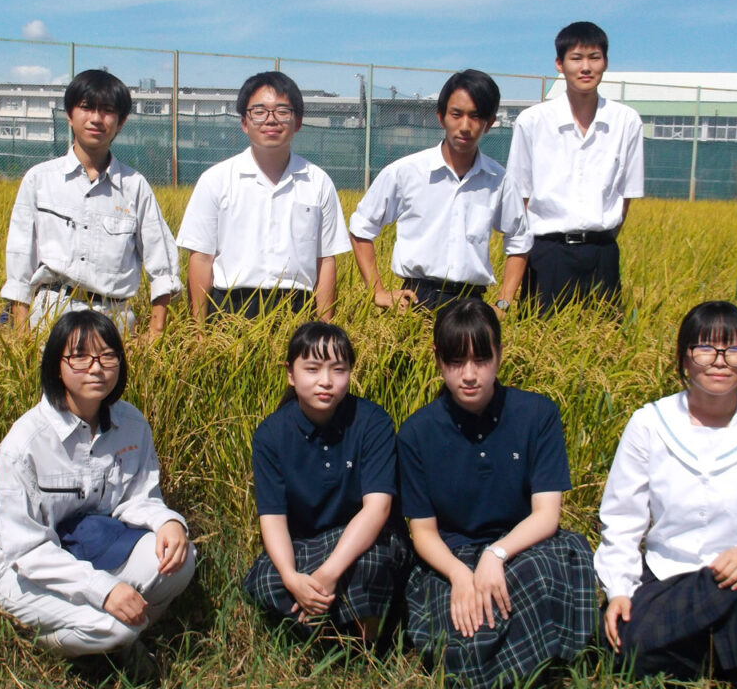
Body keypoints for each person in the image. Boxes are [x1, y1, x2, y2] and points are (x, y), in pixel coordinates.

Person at [595, 301, 737, 687]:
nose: (719, 361)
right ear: (684, 359)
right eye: (705, 349)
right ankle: (723, 653)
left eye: (733, 349)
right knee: (627, 639)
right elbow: (623, 520)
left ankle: (709, 654)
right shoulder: (650, 423)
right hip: (669, 578)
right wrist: (619, 591)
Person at [398, 298, 597, 687]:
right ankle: (525, 663)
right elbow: (423, 533)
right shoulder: (416, 433)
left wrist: (497, 553)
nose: (469, 375)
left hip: (525, 547)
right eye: (456, 362)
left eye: (481, 360)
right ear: (438, 359)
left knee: (538, 582)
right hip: (451, 557)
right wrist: (459, 574)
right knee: (468, 630)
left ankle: (530, 666)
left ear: (500, 354)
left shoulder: (537, 414)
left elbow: (546, 514)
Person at [0, 310, 196, 659]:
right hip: (27, 565)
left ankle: (124, 640)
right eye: (79, 356)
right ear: (56, 365)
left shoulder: (131, 423)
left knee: (180, 561)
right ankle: (55, 648)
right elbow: (27, 549)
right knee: (113, 626)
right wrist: (103, 590)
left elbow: (139, 497)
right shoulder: (25, 443)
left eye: (107, 355)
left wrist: (168, 521)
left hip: (93, 543)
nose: (96, 367)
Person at [243, 322, 411, 641]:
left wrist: (328, 573)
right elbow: (273, 519)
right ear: (291, 374)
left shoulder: (372, 422)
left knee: (371, 563)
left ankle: (365, 650)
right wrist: (293, 578)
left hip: (365, 539)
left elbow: (377, 510)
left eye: (338, 369)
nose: (326, 381)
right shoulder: (271, 434)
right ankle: (326, 637)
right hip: (305, 542)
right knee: (267, 579)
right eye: (312, 369)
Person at [0, 69, 182, 342]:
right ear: (69, 115)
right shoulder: (40, 180)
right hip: (49, 316)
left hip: (112, 321)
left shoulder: (135, 186)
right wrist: (22, 331)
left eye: (107, 110)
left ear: (121, 122)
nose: (96, 118)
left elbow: (163, 264)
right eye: (86, 108)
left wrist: (155, 332)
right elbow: (19, 260)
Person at [348, 69, 530, 315]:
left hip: (472, 304)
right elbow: (361, 227)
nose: (465, 126)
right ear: (441, 117)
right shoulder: (405, 172)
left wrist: (503, 303)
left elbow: (519, 240)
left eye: (476, 116)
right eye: (456, 114)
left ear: (489, 124)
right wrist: (378, 292)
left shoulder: (499, 180)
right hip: (416, 300)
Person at [176, 71, 351, 321]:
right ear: (244, 122)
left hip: (297, 308)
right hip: (230, 307)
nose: (271, 120)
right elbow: (201, 258)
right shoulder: (216, 179)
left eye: (282, 111)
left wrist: (323, 328)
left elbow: (325, 260)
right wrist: (199, 329)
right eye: (259, 112)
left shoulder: (318, 182)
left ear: (298, 122)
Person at [505, 21, 644, 313]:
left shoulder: (626, 121)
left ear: (605, 62)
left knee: (603, 346)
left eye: (594, 57)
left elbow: (626, 195)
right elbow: (521, 195)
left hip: (602, 255)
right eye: (576, 58)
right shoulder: (532, 121)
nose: (586, 67)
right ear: (559, 64)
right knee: (541, 343)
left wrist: (599, 238)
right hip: (546, 255)